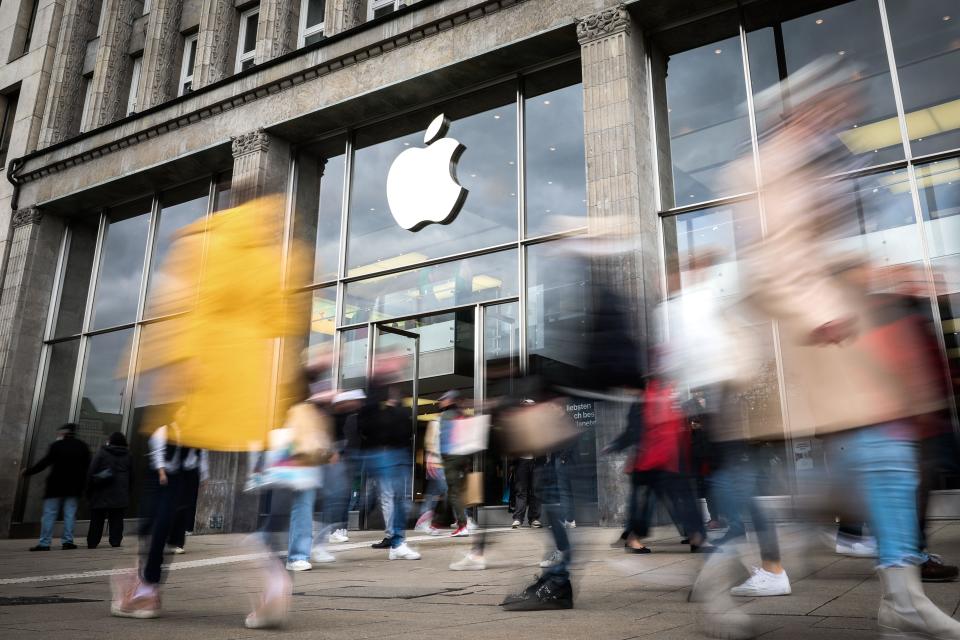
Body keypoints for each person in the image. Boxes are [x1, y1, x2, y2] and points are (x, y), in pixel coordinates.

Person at [359, 363, 420, 560]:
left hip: (398, 453)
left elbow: (406, 426)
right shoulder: (374, 400)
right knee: (389, 497)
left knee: (400, 499)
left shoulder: (397, 401)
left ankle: (397, 541)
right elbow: (367, 426)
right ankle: (394, 539)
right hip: (382, 453)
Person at [147, 411, 208, 555]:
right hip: (171, 474)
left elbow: (203, 454)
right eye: (182, 412)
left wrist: (204, 476)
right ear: (175, 414)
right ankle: (160, 538)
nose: (186, 416)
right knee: (168, 508)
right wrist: (161, 471)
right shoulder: (165, 430)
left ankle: (178, 542)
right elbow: (157, 451)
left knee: (183, 509)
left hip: (188, 474)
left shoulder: (194, 433)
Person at [23, 423, 91, 551]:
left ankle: (44, 543)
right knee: (70, 514)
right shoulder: (83, 447)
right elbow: (88, 467)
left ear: (64, 432)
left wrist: (28, 472)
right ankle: (68, 542)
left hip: (55, 487)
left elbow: (44, 463)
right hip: (74, 488)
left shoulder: (56, 446)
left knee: (49, 514)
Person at [86, 432, 132, 549]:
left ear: (110, 441)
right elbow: (132, 476)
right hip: (120, 493)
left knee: (97, 519)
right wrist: (128, 491)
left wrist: (89, 490)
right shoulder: (128, 455)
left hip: (101, 492)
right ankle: (115, 541)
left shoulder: (102, 453)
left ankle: (93, 542)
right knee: (117, 519)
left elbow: (91, 471)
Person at [437, 390, 472, 537]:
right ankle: (461, 522)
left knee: (453, 492)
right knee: (457, 492)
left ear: (450, 400)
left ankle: (462, 525)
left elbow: (444, 439)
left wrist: (443, 458)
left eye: (443, 399)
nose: (441, 401)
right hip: (463, 457)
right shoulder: (462, 415)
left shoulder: (445, 416)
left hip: (451, 458)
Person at [511, 454, 542, 528]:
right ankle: (518, 518)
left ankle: (534, 518)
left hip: (537, 460)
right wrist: (512, 463)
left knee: (536, 490)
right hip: (521, 460)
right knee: (521, 490)